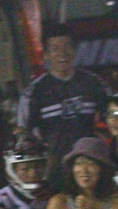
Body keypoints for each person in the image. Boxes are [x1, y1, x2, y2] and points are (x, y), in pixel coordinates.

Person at [16, 23, 109, 172]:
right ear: (45, 54)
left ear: (74, 50)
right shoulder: (34, 93)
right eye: (55, 49)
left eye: (67, 47)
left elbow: (110, 118)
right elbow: (23, 132)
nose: (62, 54)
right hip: (55, 168)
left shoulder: (94, 84)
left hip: (91, 166)